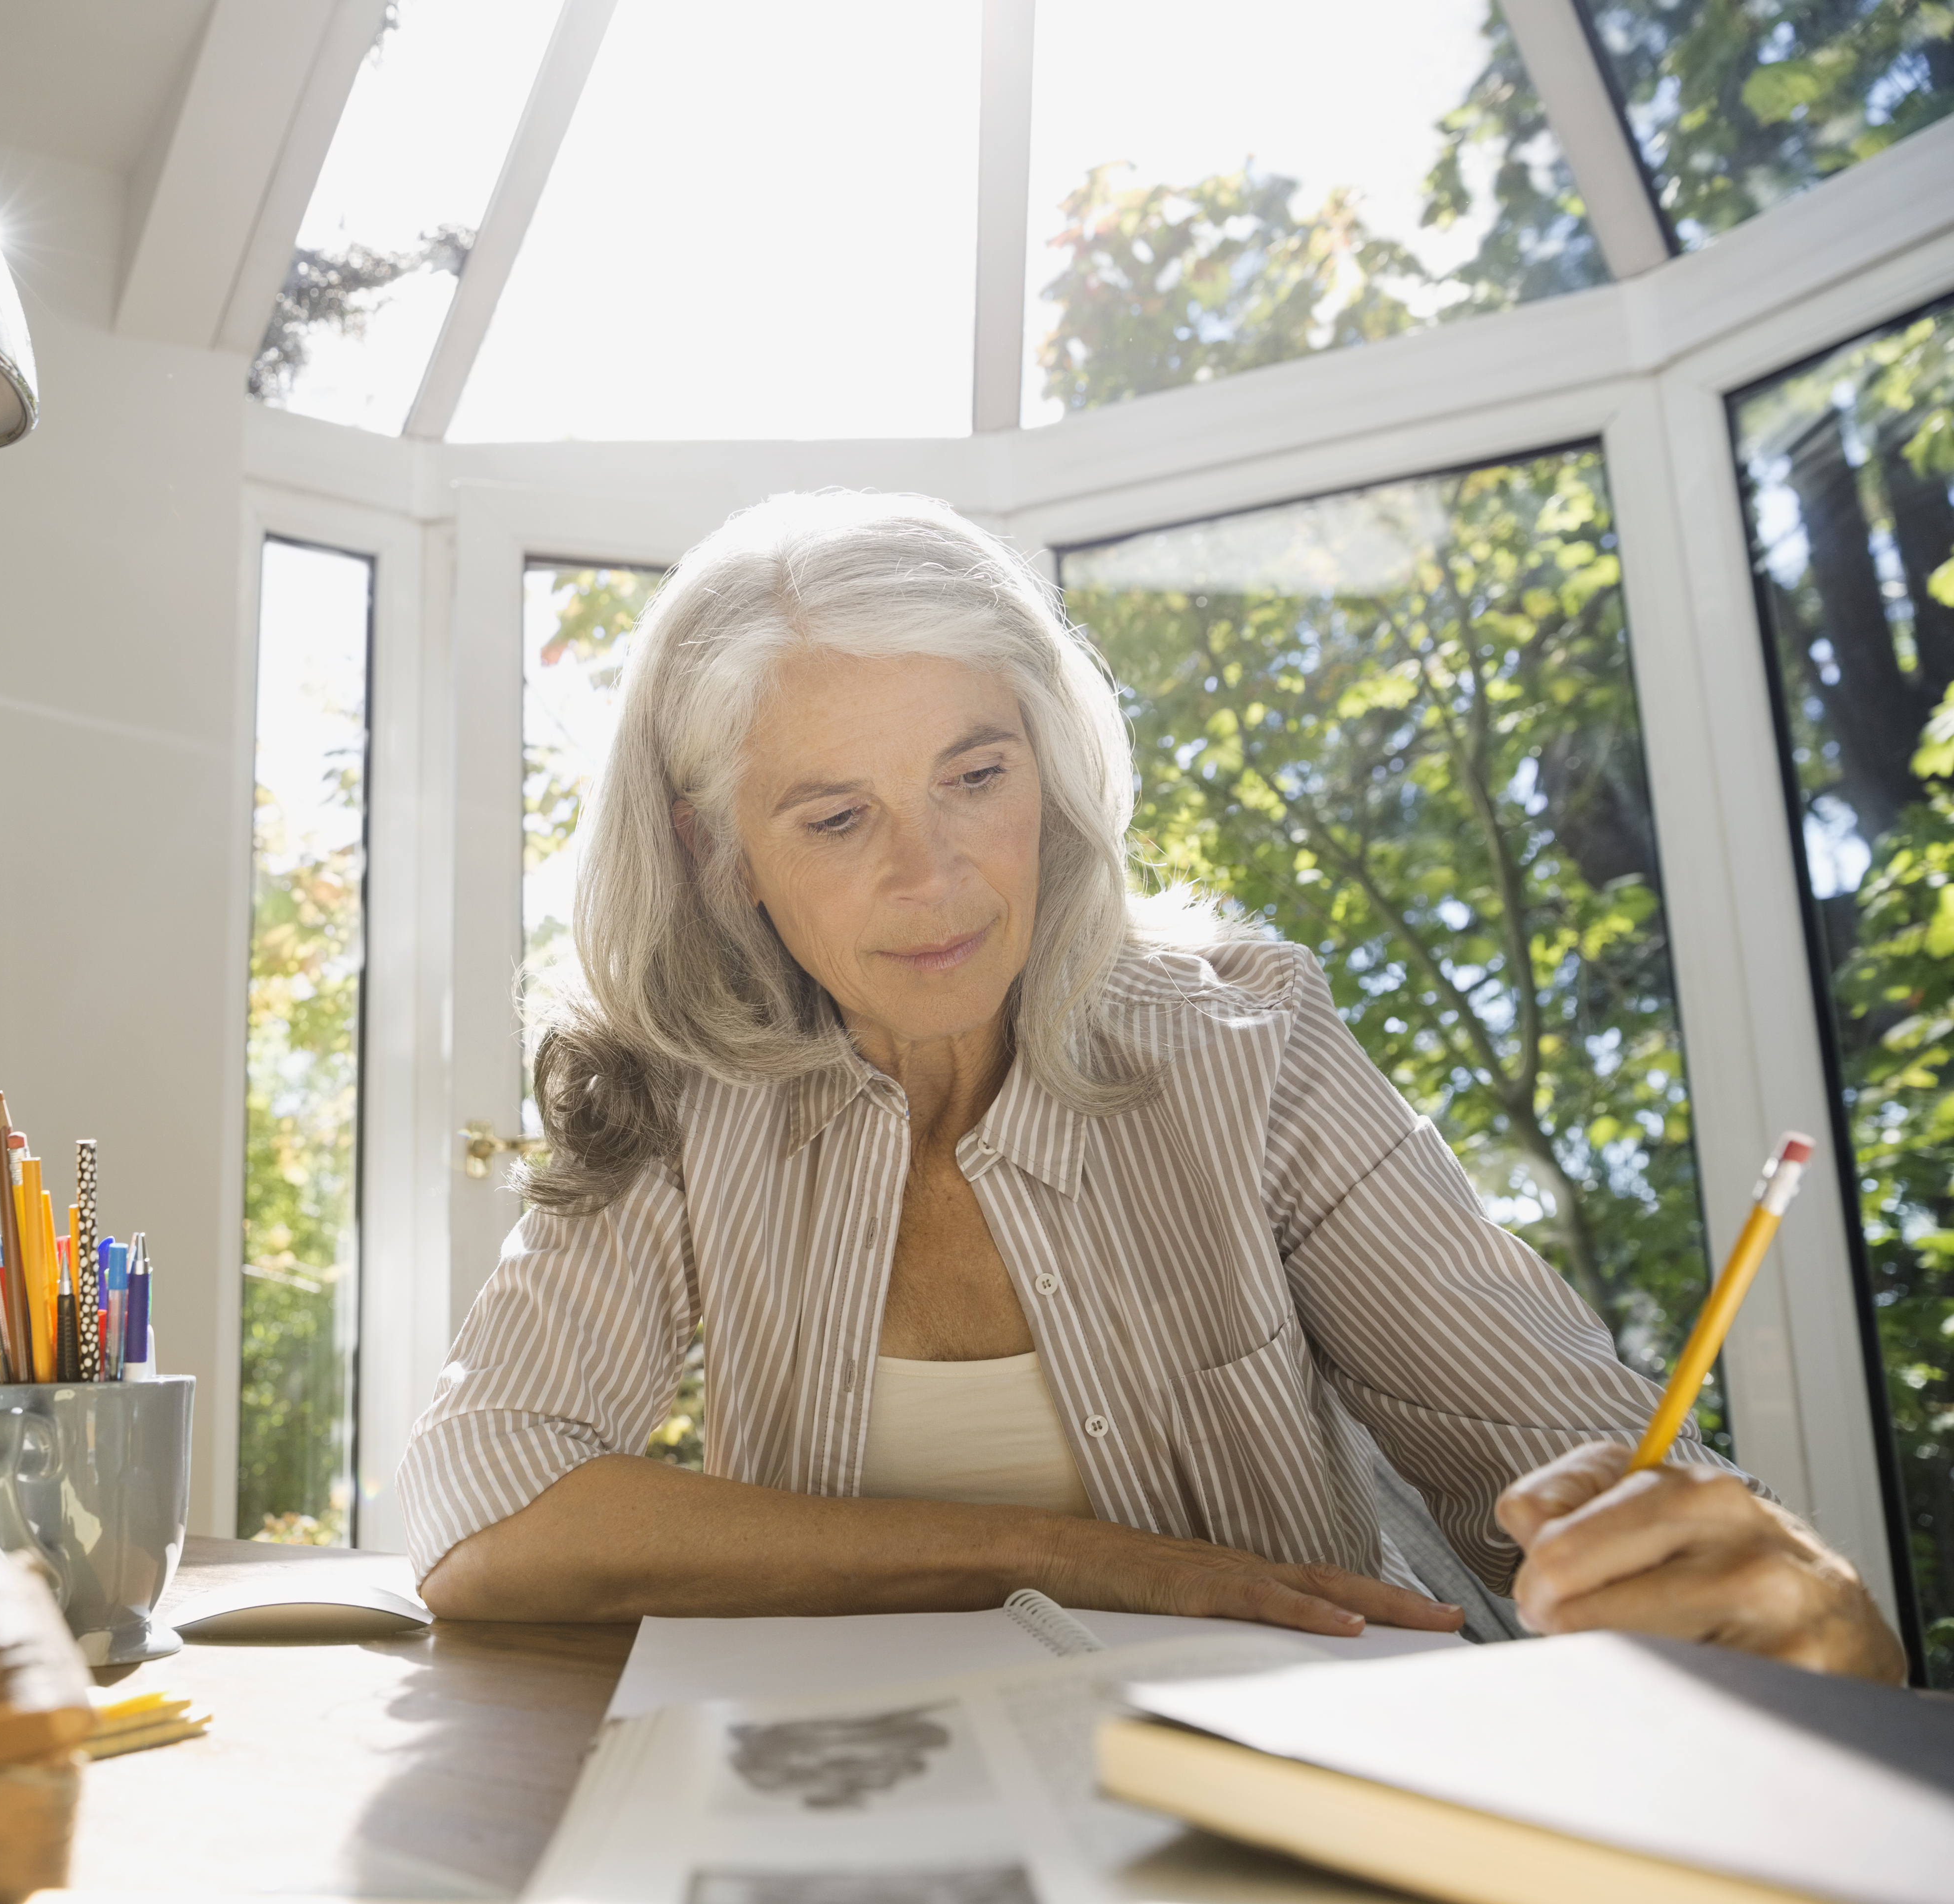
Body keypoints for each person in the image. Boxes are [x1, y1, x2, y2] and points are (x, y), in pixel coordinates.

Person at [397, 491, 1902, 1682]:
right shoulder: (680, 1090)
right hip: (865, 1807)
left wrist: (1771, 1602)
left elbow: (1568, 1459)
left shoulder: (1251, 1045)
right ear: (718, 848)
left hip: (1285, 1798)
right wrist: (1081, 1558)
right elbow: (487, 1510)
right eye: (839, 816)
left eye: (976, 778)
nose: (935, 879)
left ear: (1048, 769)